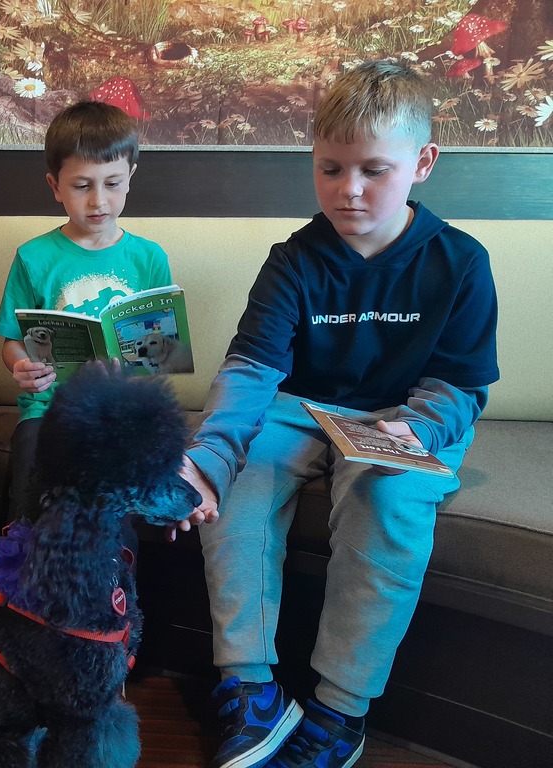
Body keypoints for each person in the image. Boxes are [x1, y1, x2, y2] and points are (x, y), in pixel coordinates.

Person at [178, 60, 499, 768]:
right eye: (330, 169)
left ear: (423, 163)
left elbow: (461, 384)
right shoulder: (292, 260)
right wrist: (209, 457)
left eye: (373, 171)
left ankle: (340, 710)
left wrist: (418, 429)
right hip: (299, 409)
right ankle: (249, 686)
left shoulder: (460, 262)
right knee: (238, 476)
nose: (348, 190)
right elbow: (251, 370)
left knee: (390, 497)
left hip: (405, 416)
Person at [0, 100, 173, 522]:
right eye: (81, 186)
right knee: (32, 485)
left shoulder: (149, 258)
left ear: (130, 178)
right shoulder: (34, 257)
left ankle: (117, 564)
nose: (98, 201)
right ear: (55, 186)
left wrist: (145, 362)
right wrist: (21, 366)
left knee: (117, 501)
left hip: (121, 410)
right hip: (48, 410)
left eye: (112, 183)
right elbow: (12, 342)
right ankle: (21, 558)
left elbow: (162, 352)